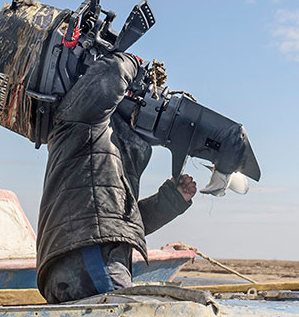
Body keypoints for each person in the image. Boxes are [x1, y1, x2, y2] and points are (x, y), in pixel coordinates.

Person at [36, 51, 196, 303]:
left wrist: (171, 201)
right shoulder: (83, 120)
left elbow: (117, 223)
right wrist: (135, 64)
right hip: (91, 260)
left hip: (82, 263)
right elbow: (111, 71)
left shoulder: (106, 149)